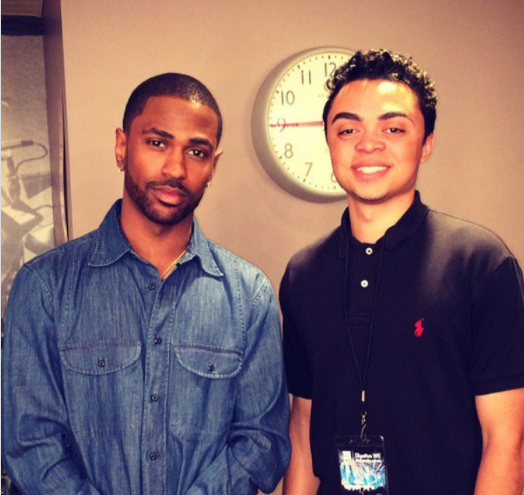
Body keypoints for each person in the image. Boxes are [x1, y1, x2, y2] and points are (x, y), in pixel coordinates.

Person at [2, 73, 290, 495]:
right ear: (122, 147)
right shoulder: (45, 287)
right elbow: (30, 445)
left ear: (213, 165)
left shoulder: (250, 295)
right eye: (157, 143)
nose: (176, 168)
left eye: (196, 151)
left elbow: (262, 443)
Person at [280, 49, 524, 495]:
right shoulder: (302, 274)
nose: (368, 144)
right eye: (348, 129)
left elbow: (506, 441)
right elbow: (303, 430)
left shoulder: (481, 263)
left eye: (393, 128)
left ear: (426, 143)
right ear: (330, 141)